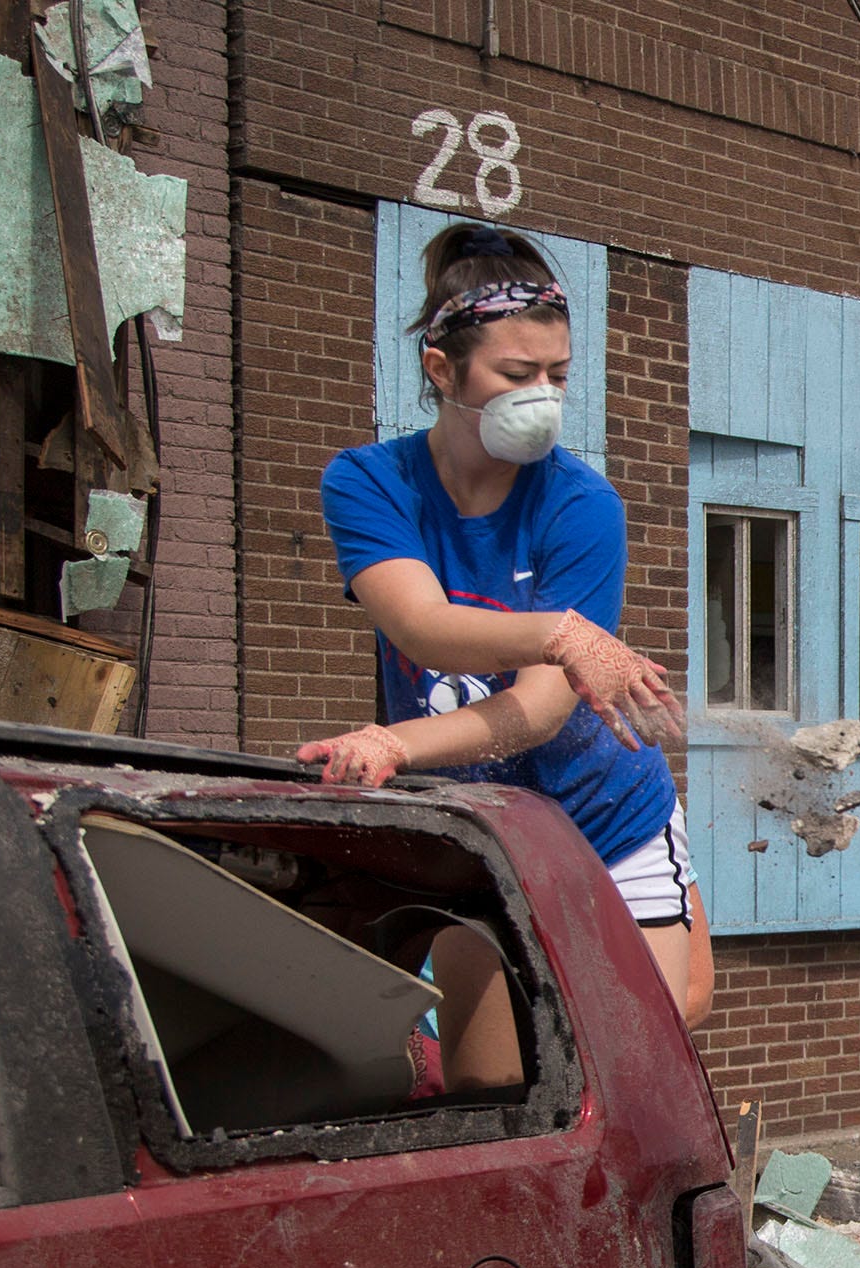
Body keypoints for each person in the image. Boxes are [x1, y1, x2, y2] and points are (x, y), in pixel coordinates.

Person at [300, 223, 710, 1025]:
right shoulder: (370, 482)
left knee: (635, 1055)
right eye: (517, 373)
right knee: (493, 1082)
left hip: (604, 819)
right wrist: (562, 633)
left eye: (558, 374)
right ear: (441, 369)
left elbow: (544, 710)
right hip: (476, 829)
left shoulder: (581, 504)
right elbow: (422, 626)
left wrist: (394, 743)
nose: (543, 396)